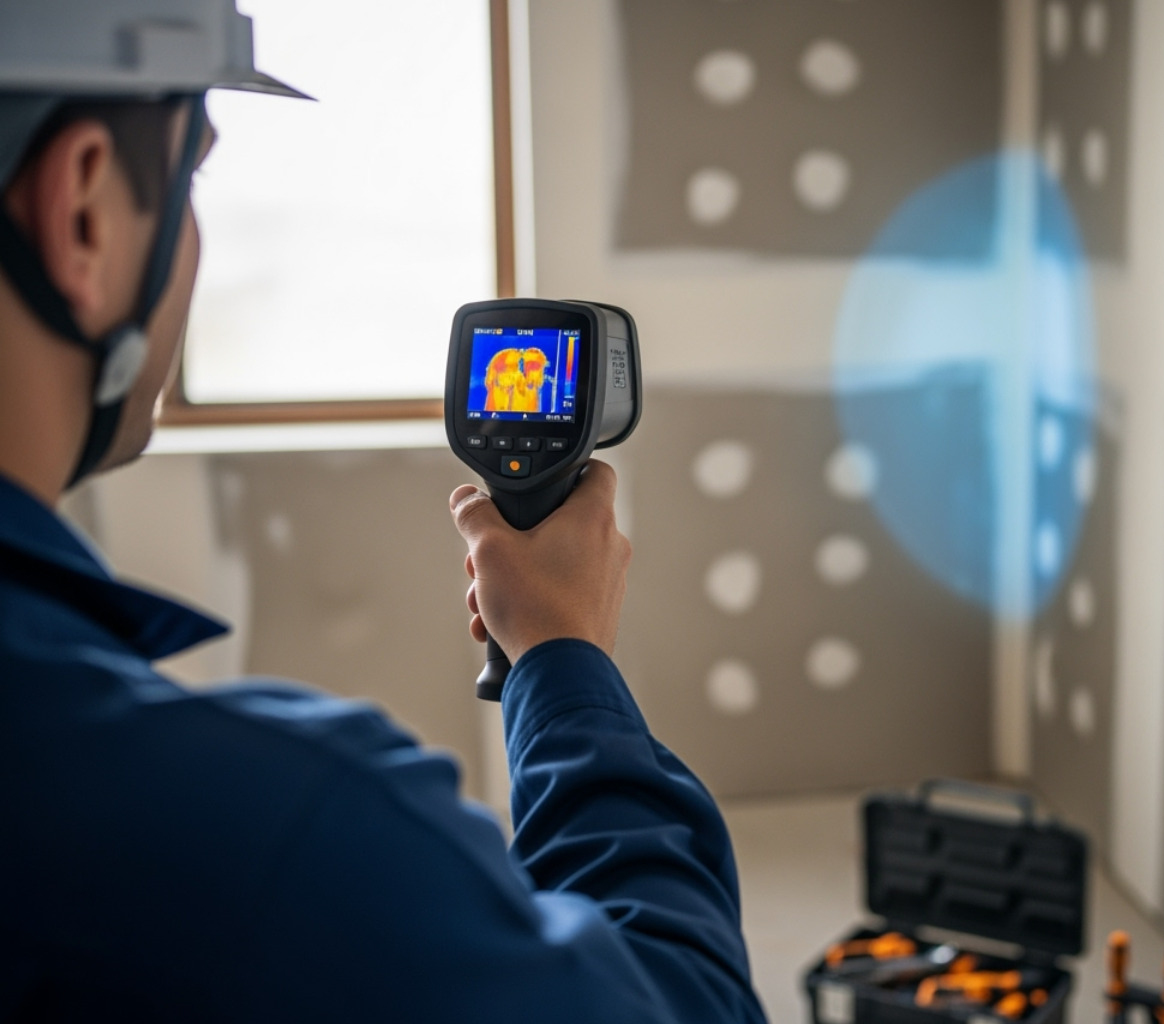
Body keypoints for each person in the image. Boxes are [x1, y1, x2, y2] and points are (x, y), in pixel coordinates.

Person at [0, 3, 767, 1021]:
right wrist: (563, 659)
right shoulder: (295, 829)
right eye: (194, 181)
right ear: (85, 211)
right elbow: (684, 1005)